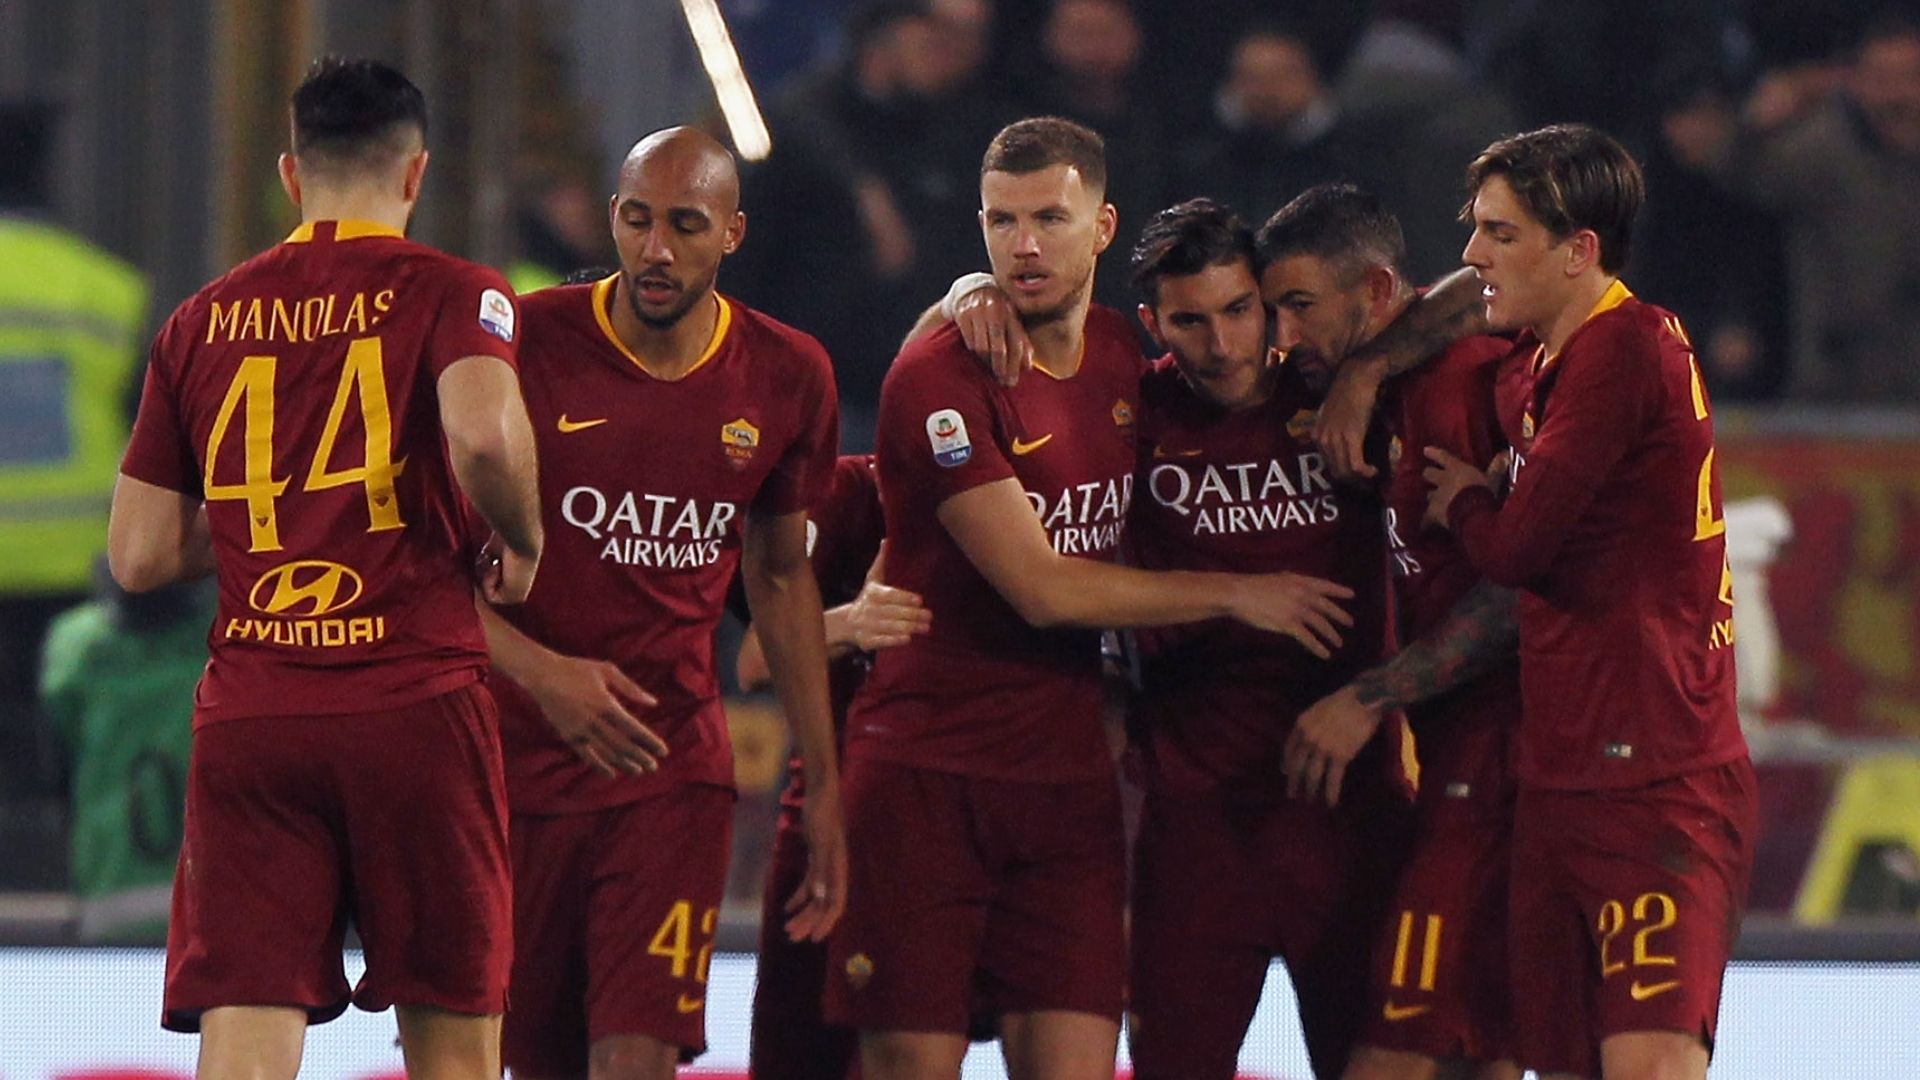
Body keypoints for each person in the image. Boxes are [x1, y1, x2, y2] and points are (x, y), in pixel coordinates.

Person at [828, 118, 1356, 1080]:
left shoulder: (1128, 362)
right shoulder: (947, 371)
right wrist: (1241, 594)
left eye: (1049, 218)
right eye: (1001, 223)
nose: (1024, 245)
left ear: (1102, 227)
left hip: (1070, 784)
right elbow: (1039, 588)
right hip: (929, 772)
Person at [108, 56, 543, 1080]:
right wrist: (521, 541)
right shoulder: (458, 293)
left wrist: (291, 517)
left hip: (255, 714)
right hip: (414, 707)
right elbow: (482, 440)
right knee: (454, 1034)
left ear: (292, 178)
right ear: (416, 174)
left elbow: (136, 556)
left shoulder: (200, 320)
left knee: (248, 1035)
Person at [476, 126, 844, 1080]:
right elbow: (419, 567)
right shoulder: (524, 345)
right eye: (637, 221)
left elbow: (779, 577)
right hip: (514, 772)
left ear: (732, 233)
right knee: (537, 1062)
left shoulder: (788, 372)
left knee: (636, 1056)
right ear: (613, 219)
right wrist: (546, 676)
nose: (656, 249)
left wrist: (828, 779)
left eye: (685, 225)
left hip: (672, 773)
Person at [1422, 124, 1755, 1080]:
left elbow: (1519, 549)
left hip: (1657, 778)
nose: (1473, 256)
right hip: (1563, 775)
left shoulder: (1623, 349)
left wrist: (1472, 500)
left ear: (1580, 252)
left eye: (1499, 234)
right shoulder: (1541, 360)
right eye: (1476, 227)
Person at [1261, 184, 1521, 1080]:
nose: (1281, 337)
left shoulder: (1468, 380)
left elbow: (1525, 593)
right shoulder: (1377, 386)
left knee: (1390, 1056)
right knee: (1481, 1053)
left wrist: (1370, 696)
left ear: (1373, 296)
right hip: (1460, 766)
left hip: (1504, 771)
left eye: (1299, 307)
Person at [735, 453, 927, 1080]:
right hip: (833, 823)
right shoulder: (850, 492)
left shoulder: (1038, 503)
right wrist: (855, 621)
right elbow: (756, 661)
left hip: (963, 822)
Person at [38, 563, 213, 944]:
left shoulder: (74, 645)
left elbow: (57, 770)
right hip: (216, 913)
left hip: (114, 903)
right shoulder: (226, 633)